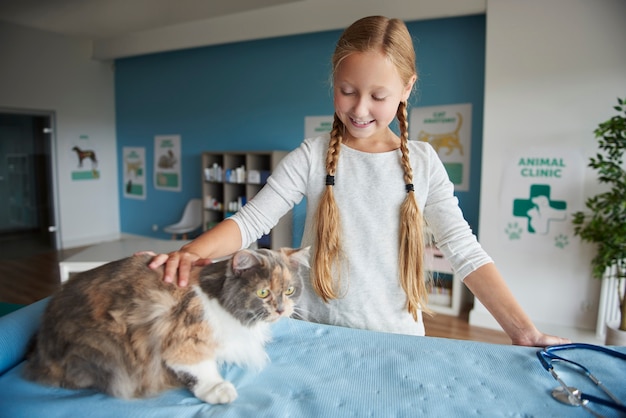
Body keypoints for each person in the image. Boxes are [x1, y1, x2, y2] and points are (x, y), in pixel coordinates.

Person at [148, 15, 569, 347]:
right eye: (347, 90)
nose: (360, 108)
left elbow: (465, 252)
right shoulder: (312, 156)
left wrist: (524, 331)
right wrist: (192, 251)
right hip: (314, 333)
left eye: (378, 96)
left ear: (407, 88)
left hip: (398, 341)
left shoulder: (422, 163)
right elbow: (251, 221)